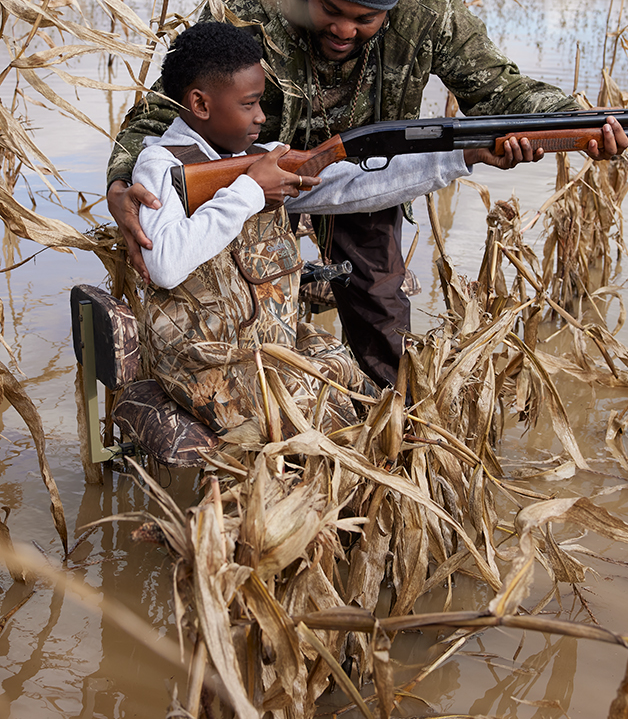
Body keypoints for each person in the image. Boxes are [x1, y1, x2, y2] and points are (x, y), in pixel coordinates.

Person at [108, 0, 628, 388]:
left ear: (392, 8)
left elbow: (499, 91)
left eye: (365, 19)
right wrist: (122, 179)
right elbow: (172, 103)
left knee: (381, 314)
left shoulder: (430, 11)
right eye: (330, 10)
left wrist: (575, 127)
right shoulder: (253, 5)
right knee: (248, 317)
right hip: (254, 176)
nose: (344, 30)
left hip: (367, 172)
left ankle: (386, 443)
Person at [135, 21, 543, 433]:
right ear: (201, 105)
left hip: (267, 349)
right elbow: (165, 264)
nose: (262, 115)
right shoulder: (162, 166)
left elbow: (354, 183)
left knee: (372, 395)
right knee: (332, 425)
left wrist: (464, 157)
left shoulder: (257, 158)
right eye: (250, 104)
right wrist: (249, 191)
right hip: (204, 366)